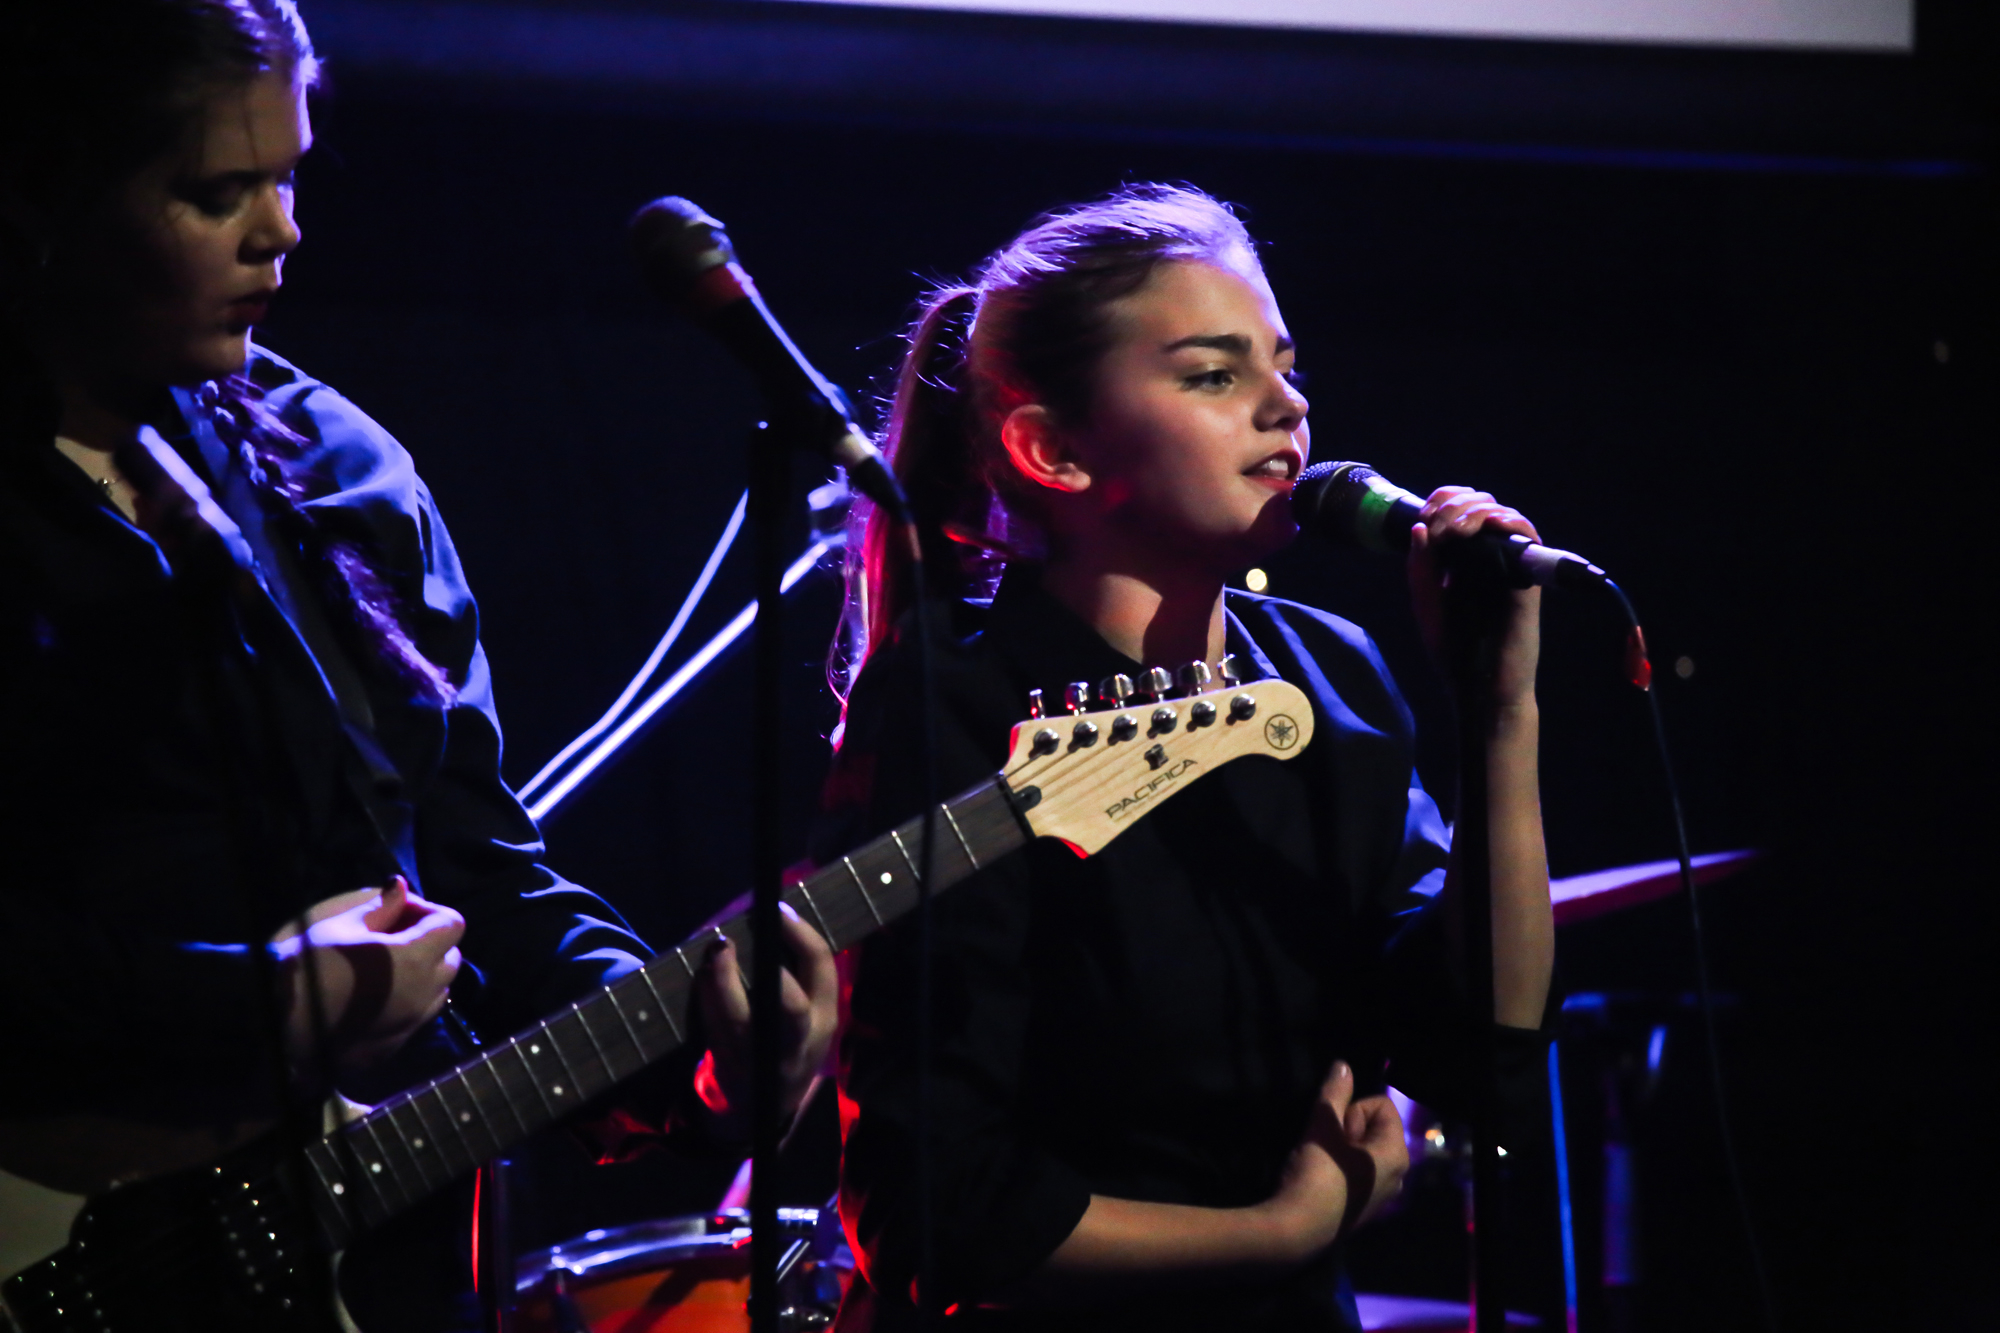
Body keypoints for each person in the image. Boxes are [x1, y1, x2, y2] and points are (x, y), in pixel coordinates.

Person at [0, 1, 837, 1327]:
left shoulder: (337, 473)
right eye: (216, 191)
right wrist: (256, 1005)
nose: (282, 229)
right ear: (49, 192)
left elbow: (476, 868)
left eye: (288, 174)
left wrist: (697, 1051)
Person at [814, 185, 1556, 1331]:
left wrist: (1499, 716)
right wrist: (1280, 1232)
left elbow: (1473, 1044)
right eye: (1214, 375)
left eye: (1285, 367)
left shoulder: (1331, 672)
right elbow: (935, 1209)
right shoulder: (950, 705)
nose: (1286, 404)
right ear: (1052, 449)